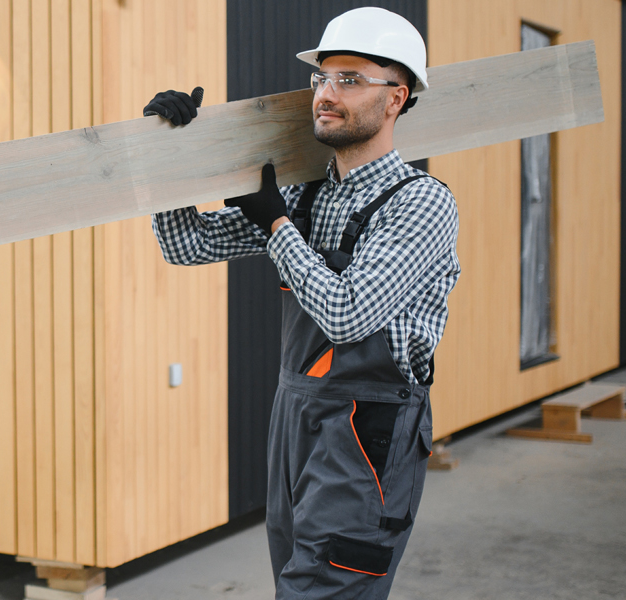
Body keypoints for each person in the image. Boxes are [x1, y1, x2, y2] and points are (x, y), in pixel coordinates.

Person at [142, 7, 461, 599]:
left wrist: (277, 225)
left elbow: (347, 313)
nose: (326, 94)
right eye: (322, 78)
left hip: (368, 433)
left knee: (320, 590)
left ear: (397, 98)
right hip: (296, 418)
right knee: (294, 579)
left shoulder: (420, 204)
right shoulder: (306, 195)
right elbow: (185, 246)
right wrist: (172, 159)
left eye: (350, 79)